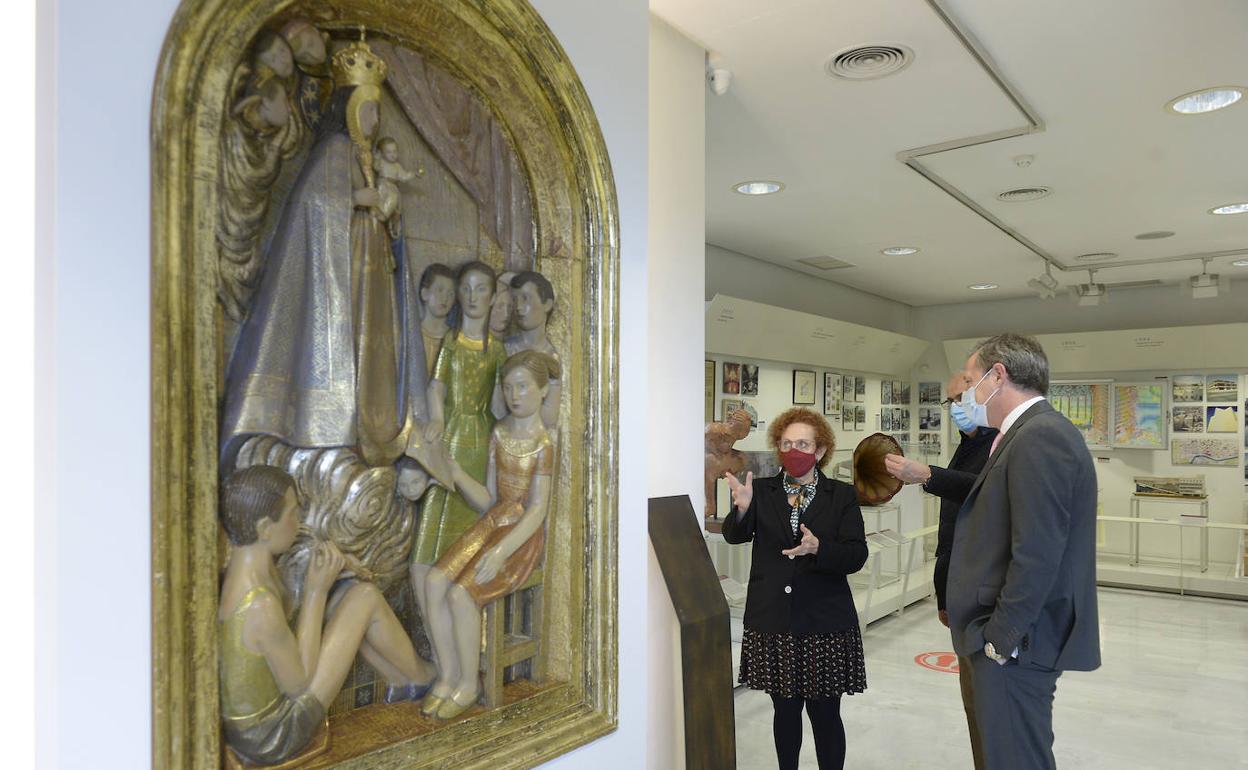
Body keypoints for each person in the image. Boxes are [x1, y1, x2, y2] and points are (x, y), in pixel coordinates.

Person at [221, 38, 428, 469]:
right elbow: (314, 202)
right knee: (347, 338)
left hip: (373, 268)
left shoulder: (365, 155)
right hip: (344, 266)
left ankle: (370, 429)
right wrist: (360, 198)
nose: (375, 120)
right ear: (351, 109)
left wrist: (388, 215)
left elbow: (377, 208)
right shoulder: (335, 151)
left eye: (376, 112)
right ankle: (333, 431)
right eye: (370, 110)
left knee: (372, 344)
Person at [946, 334, 1101, 770]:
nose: (966, 393)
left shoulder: (1039, 437)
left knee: (1016, 758)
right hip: (1016, 639)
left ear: (999, 375)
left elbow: (1037, 552)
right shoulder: (1024, 434)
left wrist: (1001, 639)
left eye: (972, 379)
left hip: (1019, 643)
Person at [217, 466, 434, 765]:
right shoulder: (259, 605)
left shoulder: (244, 573)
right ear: (265, 528)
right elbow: (300, 684)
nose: (299, 521)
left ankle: (400, 679)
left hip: (255, 725)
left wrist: (335, 571)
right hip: (273, 733)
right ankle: (422, 676)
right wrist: (316, 591)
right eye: (293, 513)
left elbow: (284, 631)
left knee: (347, 595)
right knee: (364, 598)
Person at [722, 407, 868, 770]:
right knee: (784, 711)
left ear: (820, 451)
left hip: (825, 622)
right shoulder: (763, 490)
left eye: (803, 443)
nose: (793, 450)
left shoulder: (841, 495)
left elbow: (856, 554)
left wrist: (820, 548)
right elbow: (735, 536)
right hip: (774, 620)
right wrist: (741, 510)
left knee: (825, 715)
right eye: (786, 443)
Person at [421, 350, 559, 719]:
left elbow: (537, 511)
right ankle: (448, 675)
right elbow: (489, 497)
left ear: (542, 391)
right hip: (496, 520)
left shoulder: (544, 444)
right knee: (435, 581)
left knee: (461, 595)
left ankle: (470, 684)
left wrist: (500, 553)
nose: (515, 395)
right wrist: (453, 471)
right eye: (508, 387)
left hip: (521, 538)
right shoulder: (499, 432)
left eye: (523, 387)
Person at [882, 372, 998, 770]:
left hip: (989, 603)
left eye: (960, 399)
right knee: (975, 708)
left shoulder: (1003, 444)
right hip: (963, 598)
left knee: (991, 713)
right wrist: (944, 594)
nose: (956, 410)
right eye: (950, 403)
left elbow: (988, 489)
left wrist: (928, 475)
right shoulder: (969, 444)